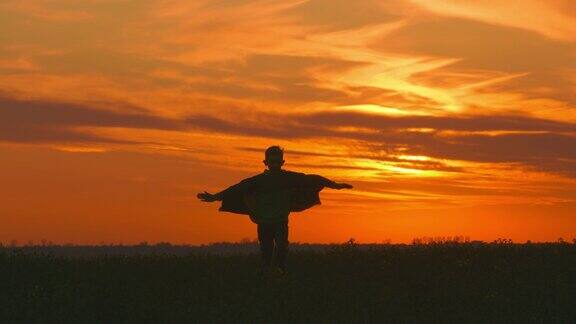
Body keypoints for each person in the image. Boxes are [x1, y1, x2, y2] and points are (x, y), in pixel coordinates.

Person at [197, 146, 353, 276]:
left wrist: (335, 185)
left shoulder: (288, 178)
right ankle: (266, 272)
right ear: (266, 162)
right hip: (263, 221)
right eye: (272, 162)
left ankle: (280, 272)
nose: (275, 164)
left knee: (282, 246)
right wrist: (215, 197)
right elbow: (237, 189)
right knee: (266, 248)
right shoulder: (258, 181)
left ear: (282, 162)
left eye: (278, 162)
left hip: (280, 220)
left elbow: (313, 179)